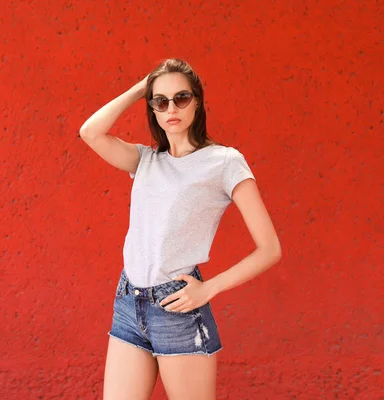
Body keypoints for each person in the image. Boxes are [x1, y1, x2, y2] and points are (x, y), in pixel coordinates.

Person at [79, 58, 282, 400]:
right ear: (153, 109)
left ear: (198, 102)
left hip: (177, 306)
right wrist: (139, 89)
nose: (171, 107)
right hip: (129, 301)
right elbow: (90, 132)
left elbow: (270, 249)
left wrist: (210, 288)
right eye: (160, 101)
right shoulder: (146, 160)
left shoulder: (224, 162)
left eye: (181, 98)